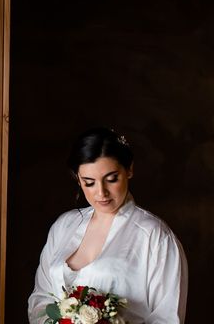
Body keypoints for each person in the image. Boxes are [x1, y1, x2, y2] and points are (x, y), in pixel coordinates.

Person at [28, 127, 188, 323]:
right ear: (77, 179)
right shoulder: (63, 226)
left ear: (129, 169)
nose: (101, 193)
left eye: (111, 179)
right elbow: (41, 298)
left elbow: (167, 317)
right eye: (89, 182)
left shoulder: (155, 236)